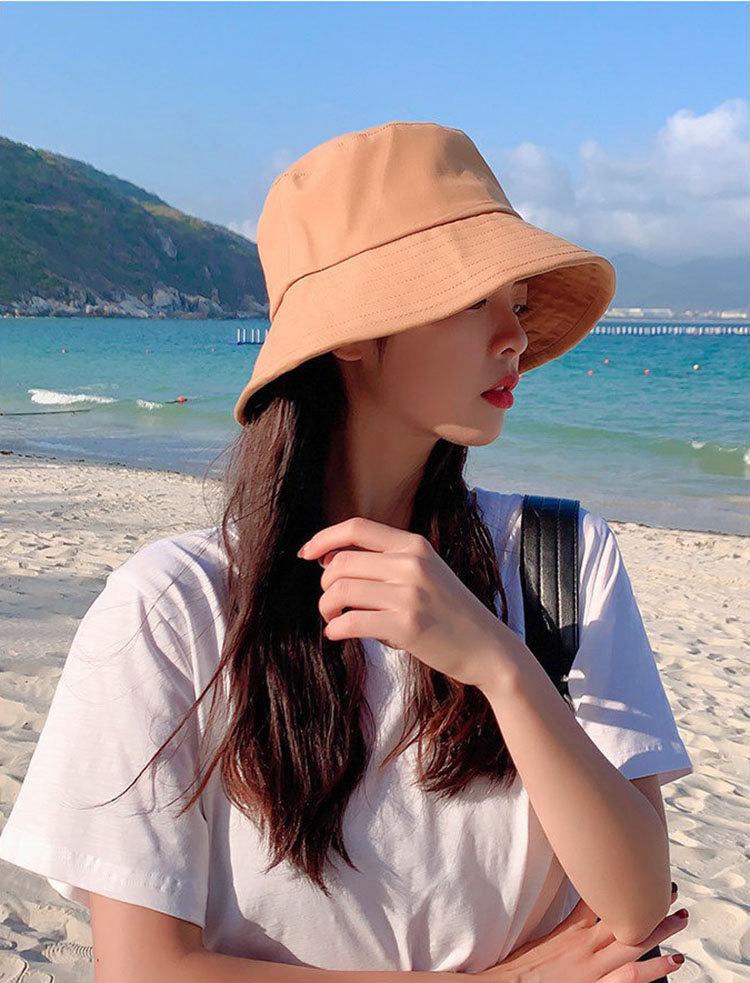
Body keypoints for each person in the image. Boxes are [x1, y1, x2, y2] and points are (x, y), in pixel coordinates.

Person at [0, 121, 693, 980]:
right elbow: (145, 970)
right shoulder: (174, 606)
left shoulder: (560, 558)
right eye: (475, 299)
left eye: (517, 304)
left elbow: (636, 903)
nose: (514, 336)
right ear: (355, 331)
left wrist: (499, 664)